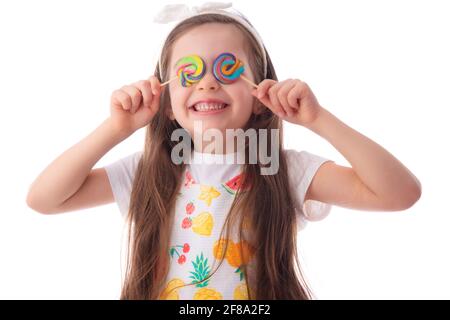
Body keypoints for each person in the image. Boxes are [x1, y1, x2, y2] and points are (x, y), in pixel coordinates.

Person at [26, 2, 421, 300]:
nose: (208, 84)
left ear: (262, 95)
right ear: (165, 100)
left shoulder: (282, 169)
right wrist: (115, 129)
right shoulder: (148, 172)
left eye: (228, 68)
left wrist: (318, 119)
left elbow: (399, 193)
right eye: (189, 72)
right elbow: (44, 199)